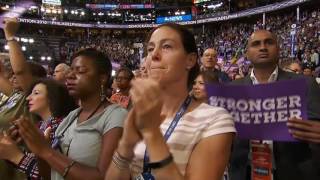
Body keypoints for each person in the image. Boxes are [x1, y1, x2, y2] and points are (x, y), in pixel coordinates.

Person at [106, 23, 236, 180]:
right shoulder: (139, 113)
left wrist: (152, 134)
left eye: (166, 46)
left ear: (190, 60)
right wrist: (125, 146)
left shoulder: (215, 119)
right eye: (150, 49)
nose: (154, 55)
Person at [14, 48, 128, 180]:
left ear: (102, 78)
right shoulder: (72, 116)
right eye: (71, 70)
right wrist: (38, 147)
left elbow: (104, 176)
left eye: (80, 71)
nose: (70, 76)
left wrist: (47, 151)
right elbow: (49, 175)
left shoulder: (116, 116)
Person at [229, 29, 320, 180]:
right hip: (245, 172)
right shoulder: (233, 88)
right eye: (256, 44)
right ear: (247, 53)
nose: (263, 47)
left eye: (269, 42)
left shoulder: (306, 84)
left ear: (278, 49)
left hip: (293, 172)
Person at [0, 78, 76, 179]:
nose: (28, 98)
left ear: (52, 98)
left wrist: (16, 156)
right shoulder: (39, 125)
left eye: (36, 93)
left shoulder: (60, 126)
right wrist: (12, 147)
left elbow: (54, 175)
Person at [0, 18, 47, 180]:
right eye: (11, 75)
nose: (13, 77)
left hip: (20, 167)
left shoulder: (30, 99)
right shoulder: (15, 96)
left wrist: (10, 37)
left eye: (17, 75)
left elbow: (20, 71)